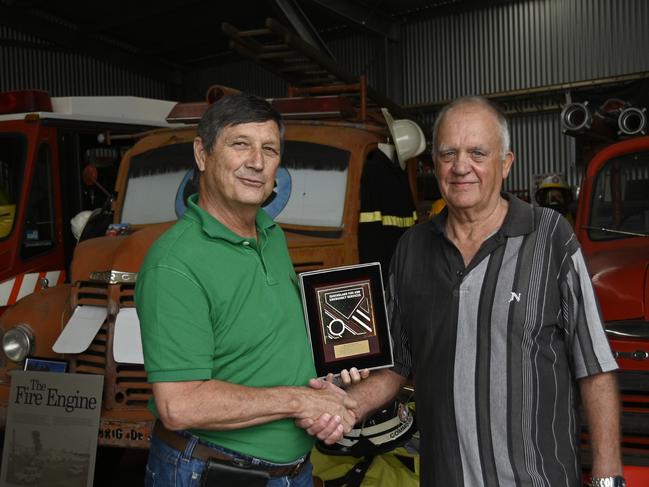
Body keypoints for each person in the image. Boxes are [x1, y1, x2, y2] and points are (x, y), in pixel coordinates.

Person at [300, 96, 625, 487]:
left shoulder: (550, 238)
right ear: (434, 164)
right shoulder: (412, 248)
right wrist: (346, 408)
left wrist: (608, 476)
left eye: (477, 153)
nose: (460, 167)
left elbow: (595, 368)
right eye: (448, 153)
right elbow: (397, 367)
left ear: (506, 164)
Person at [135, 92, 364, 487]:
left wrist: (325, 383)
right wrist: (299, 399)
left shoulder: (270, 235)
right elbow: (180, 404)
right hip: (211, 471)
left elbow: (265, 342)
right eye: (240, 144)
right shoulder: (173, 262)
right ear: (202, 155)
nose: (256, 162)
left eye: (269, 149)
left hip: (291, 471)